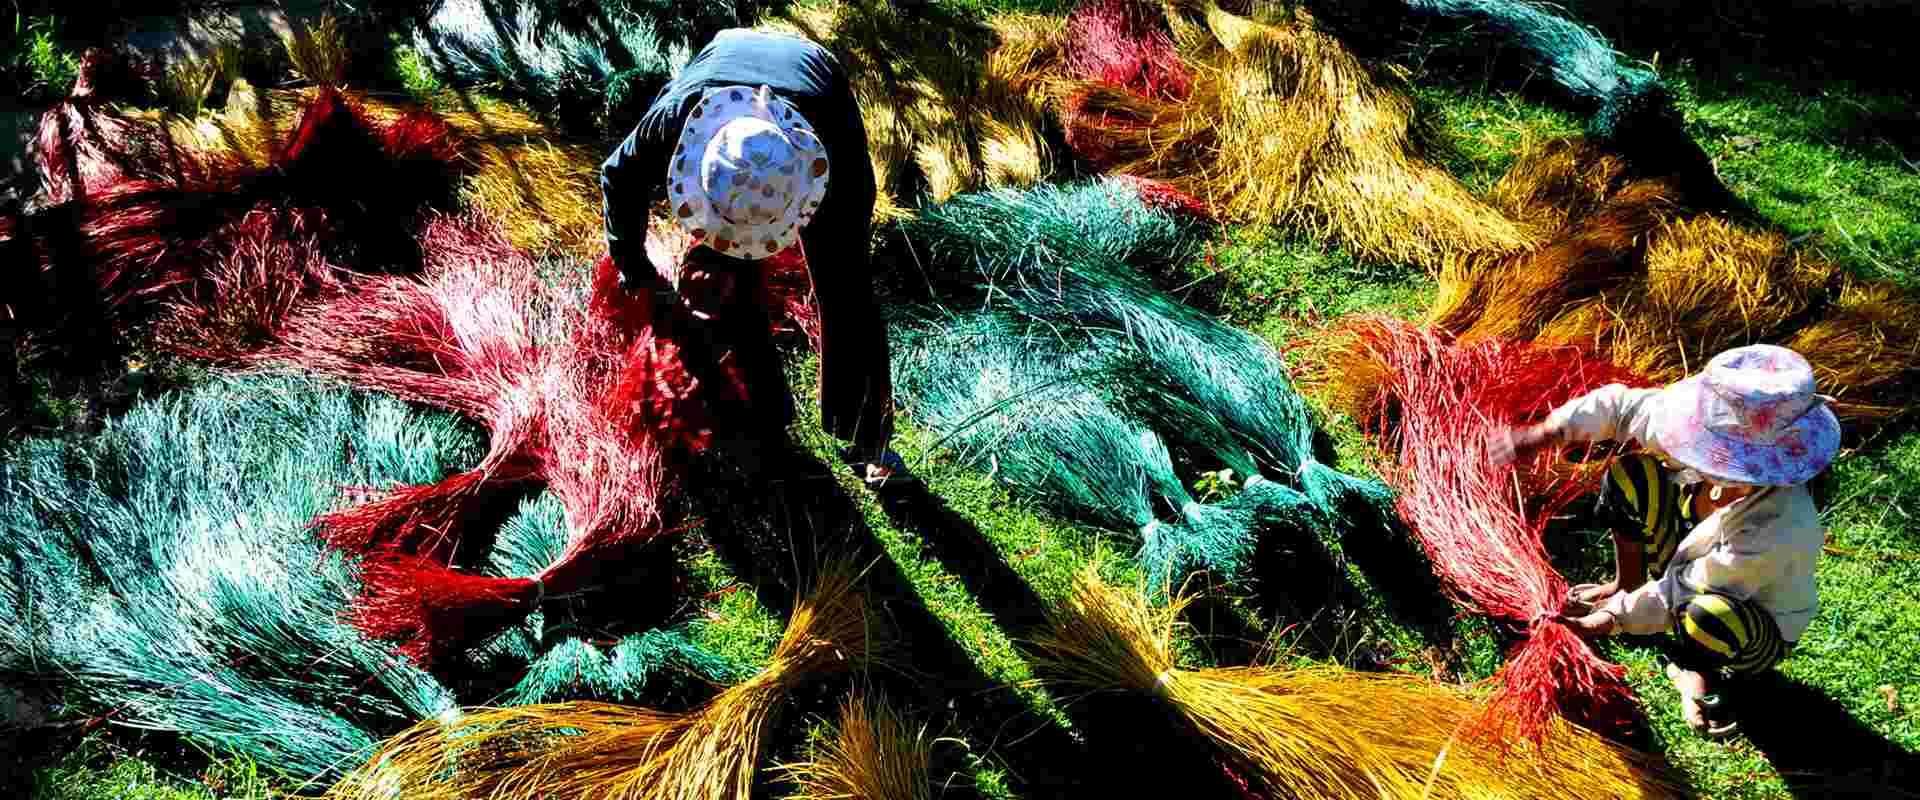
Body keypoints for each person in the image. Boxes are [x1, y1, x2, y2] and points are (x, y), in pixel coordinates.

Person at [600, 29, 906, 487]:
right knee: (719, 279)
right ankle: (765, 412)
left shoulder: (827, 154)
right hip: (724, 59)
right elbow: (617, 175)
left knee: (845, 284)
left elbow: (849, 283)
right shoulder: (676, 119)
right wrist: (635, 268)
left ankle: (867, 440)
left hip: (814, 86)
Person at [1490, 344, 1839, 738]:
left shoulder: (1779, 528)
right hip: (1690, 561)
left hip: (1750, 623)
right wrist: (1542, 435)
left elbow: (1684, 590)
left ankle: (1699, 669)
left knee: (1707, 615)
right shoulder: (1702, 424)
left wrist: (1607, 621)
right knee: (1631, 474)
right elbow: (1620, 407)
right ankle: (1629, 583)